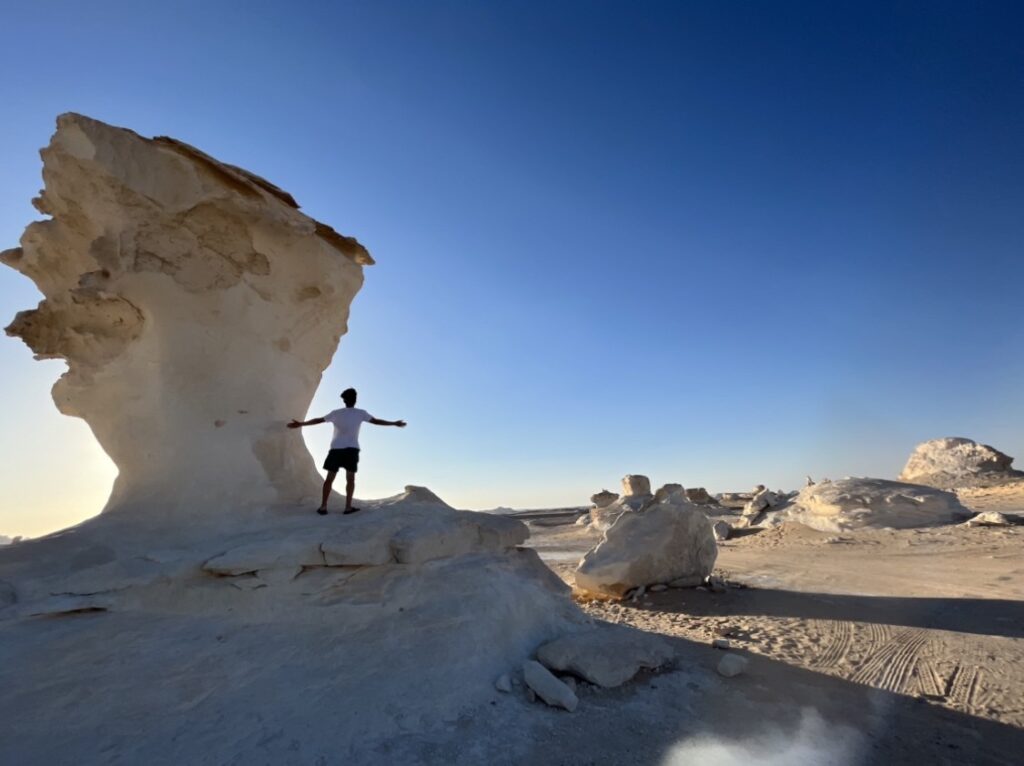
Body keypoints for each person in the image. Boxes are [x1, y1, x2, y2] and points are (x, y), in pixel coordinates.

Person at [288, 388, 406, 515]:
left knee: (330, 478)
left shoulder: (336, 413)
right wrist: (394, 423)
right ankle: (348, 507)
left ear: (344, 400)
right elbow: (376, 421)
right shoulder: (360, 413)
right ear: (355, 399)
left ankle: (323, 507)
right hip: (351, 449)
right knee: (350, 479)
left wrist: (301, 424)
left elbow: (318, 420)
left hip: (336, 449)